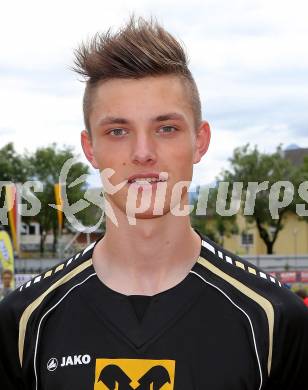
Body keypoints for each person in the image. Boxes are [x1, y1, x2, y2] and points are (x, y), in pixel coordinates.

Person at [0, 16, 308, 390]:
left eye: (166, 128)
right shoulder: (24, 321)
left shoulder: (274, 320)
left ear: (200, 141)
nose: (143, 152)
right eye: (118, 131)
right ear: (90, 149)